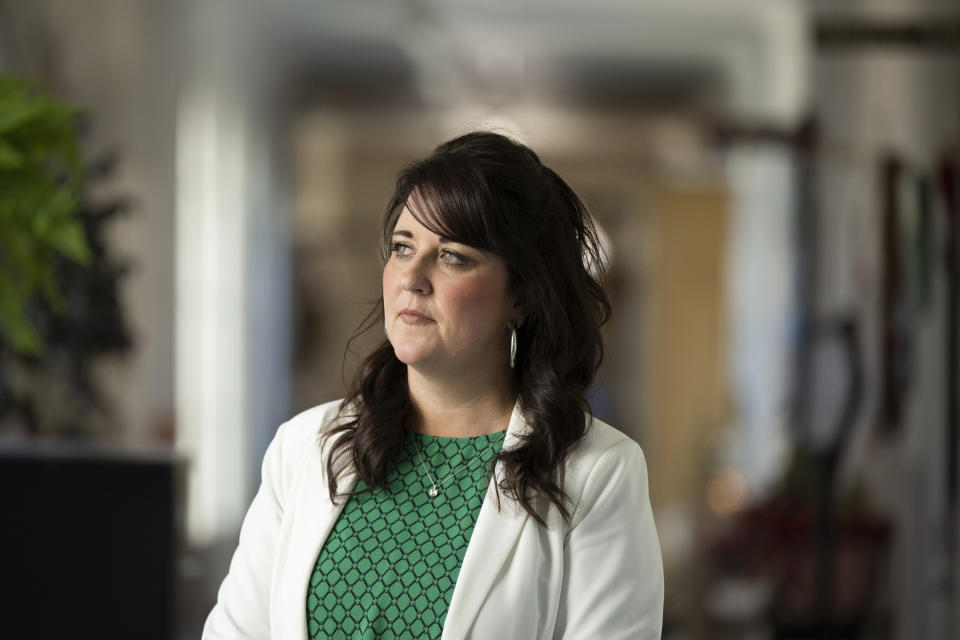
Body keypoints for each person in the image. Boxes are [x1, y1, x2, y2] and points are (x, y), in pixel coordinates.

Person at [203, 131, 664, 639]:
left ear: (522, 298)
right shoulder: (303, 447)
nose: (412, 277)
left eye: (452, 257)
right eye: (403, 248)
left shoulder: (598, 474)